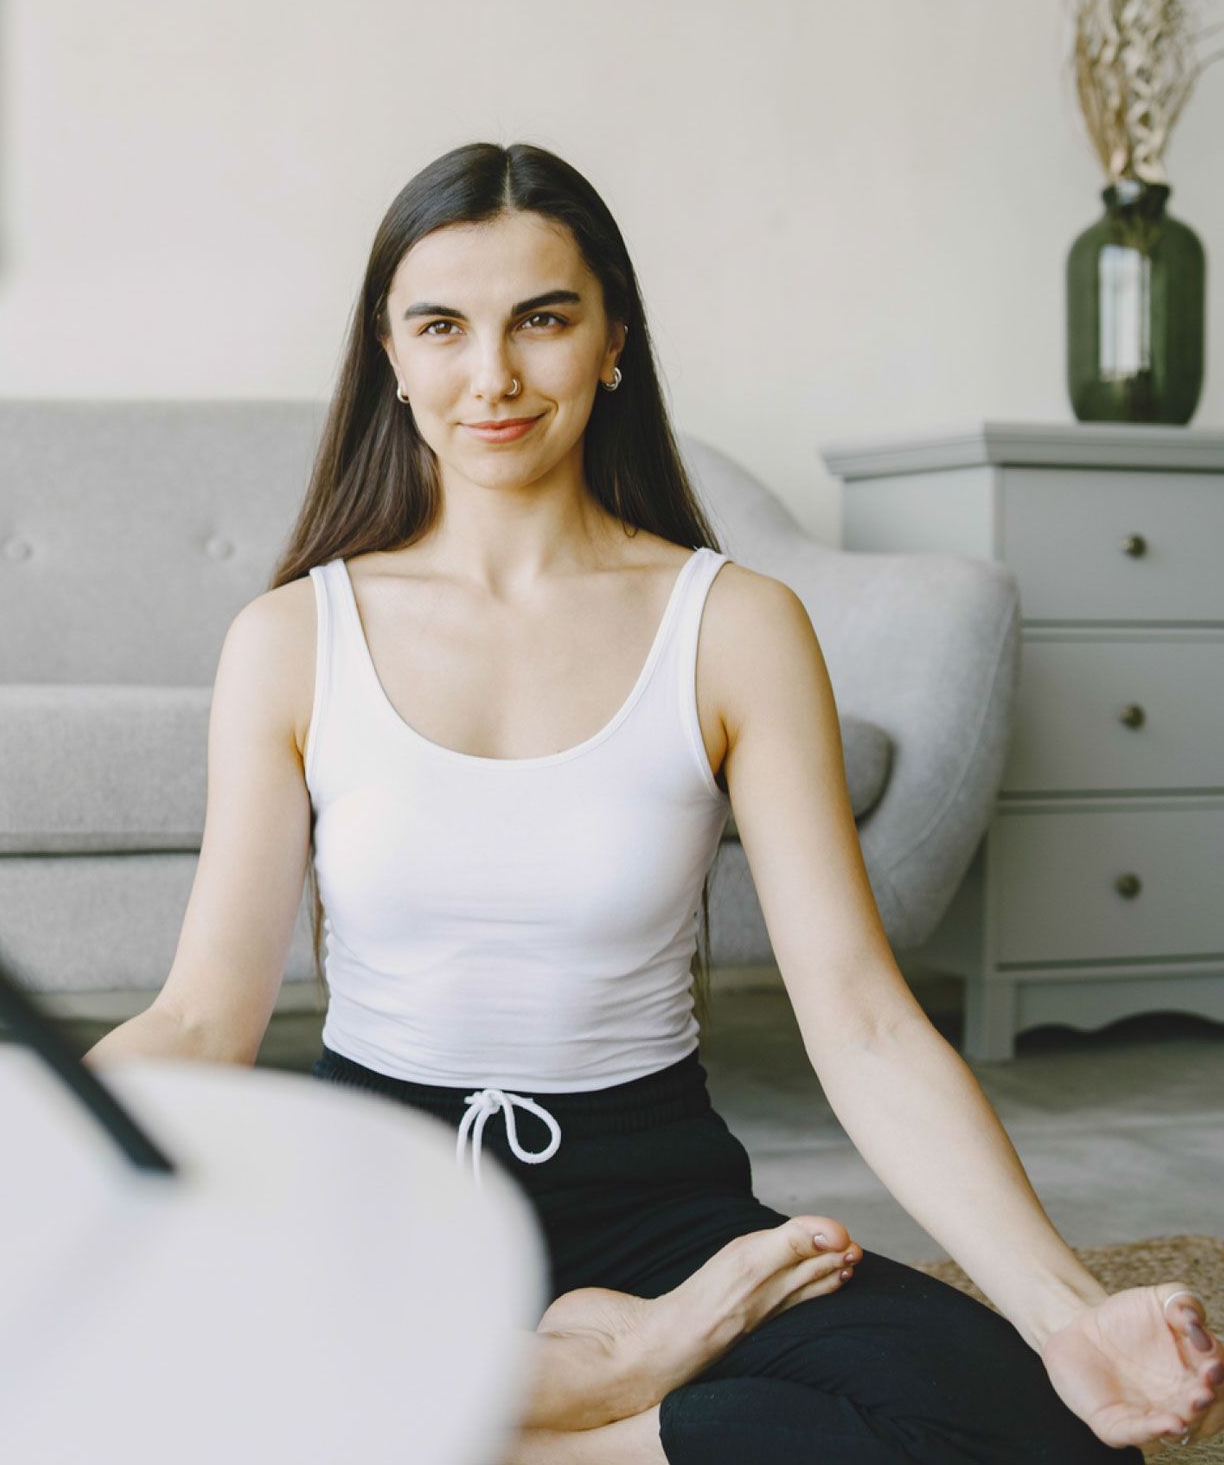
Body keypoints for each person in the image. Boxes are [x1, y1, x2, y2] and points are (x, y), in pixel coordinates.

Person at [82, 141, 1221, 1463]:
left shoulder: (731, 626)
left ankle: (547, 1422)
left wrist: (1067, 1313)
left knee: (1043, 1435)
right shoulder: (293, 638)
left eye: (543, 320)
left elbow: (858, 1018)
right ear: (389, 355)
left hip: (658, 1216)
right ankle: (571, 1394)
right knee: (108, 1349)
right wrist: (28, 1148)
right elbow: (201, 1013)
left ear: (614, 339)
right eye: (441, 326)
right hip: (379, 1203)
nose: (493, 374)